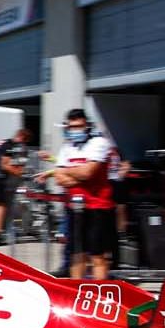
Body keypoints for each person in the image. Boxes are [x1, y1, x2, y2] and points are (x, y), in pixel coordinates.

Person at [49, 109, 115, 280]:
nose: (75, 130)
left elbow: (88, 173)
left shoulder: (99, 143)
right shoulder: (67, 147)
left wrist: (69, 173)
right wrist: (77, 175)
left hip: (97, 207)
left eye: (79, 126)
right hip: (74, 207)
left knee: (97, 255)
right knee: (77, 253)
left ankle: (99, 292)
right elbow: (58, 177)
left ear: (87, 126)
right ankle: (76, 289)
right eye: (71, 127)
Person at [0, 128, 31, 243]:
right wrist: (20, 173)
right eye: (25, 141)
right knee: (0, 205)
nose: (24, 144)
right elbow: (4, 164)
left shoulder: (2, 142)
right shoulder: (11, 146)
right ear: (22, 137)